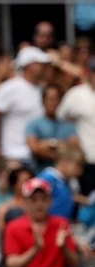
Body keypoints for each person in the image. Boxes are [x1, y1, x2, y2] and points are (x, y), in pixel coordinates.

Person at [4, 177, 79, 267]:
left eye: (43, 199)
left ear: (50, 202)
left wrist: (63, 248)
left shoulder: (61, 225)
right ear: (25, 203)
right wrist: (35, 249)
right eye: (34, 200)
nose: (39, 204)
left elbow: (74, 264)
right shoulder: (13, 227)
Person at [0, 46, 50, 167]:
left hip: (38, 156)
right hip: (14, 156)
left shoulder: (43, 89)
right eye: (40, 64)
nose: (43, 68)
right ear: (29, 66)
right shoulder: (10, 87)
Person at [57, 59, 95, 196]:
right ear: (88, 73)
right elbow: (60, 117)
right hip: (86, 159)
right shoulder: (76, 94)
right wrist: (70, 136)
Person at [26, 83, 79, 172]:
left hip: (63, 176)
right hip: (40, 172)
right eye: (50, 99)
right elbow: (34, 148)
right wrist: (61, 148)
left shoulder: (68, 126)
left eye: (56, 99)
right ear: (43, 101)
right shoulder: (33, 124)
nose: (52, 102)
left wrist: (48, 144)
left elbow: (74, 148)